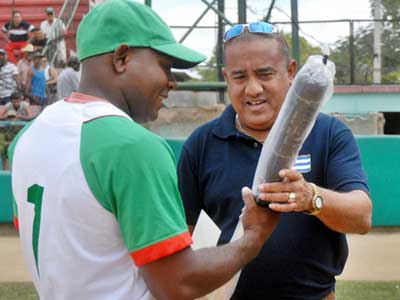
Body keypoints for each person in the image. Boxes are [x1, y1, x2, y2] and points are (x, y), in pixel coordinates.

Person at [8, 2, 279, 300]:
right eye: (164, 66)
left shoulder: (28, 136)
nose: (172, 82)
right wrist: (253, 238)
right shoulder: (133, 146)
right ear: (122, 58)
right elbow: (177, 284)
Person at [178, 22, 372, 300]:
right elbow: (184, 237)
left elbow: (361, 216)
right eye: (239, 77)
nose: (253, 89)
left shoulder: (328, 133)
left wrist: (310, 197)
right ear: (226, 78)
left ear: (291, 72)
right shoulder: (201, 144)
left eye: (265, 74)